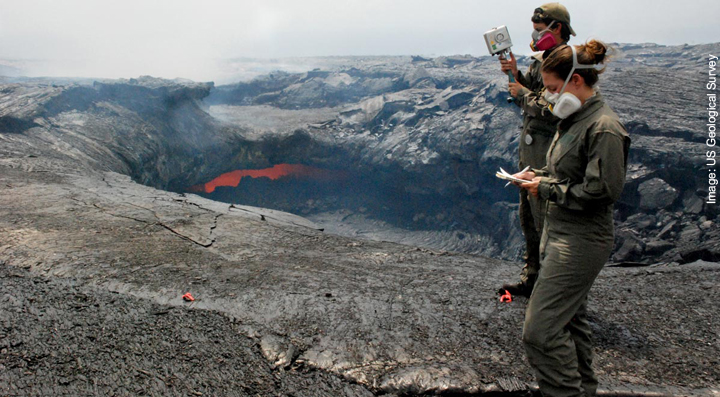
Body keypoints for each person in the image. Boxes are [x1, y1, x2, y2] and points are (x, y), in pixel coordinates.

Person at [514, 40, 631, 397]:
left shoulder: (604, 128)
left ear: (575, 82)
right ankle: (583, 390)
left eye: (551, 88)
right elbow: (569, 175)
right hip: (560, 232)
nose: (548, 98)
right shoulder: (576, 120)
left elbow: (601, 191)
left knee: (540, 332)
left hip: (579, 241)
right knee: (572, 320)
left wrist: (546, 189)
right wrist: (540, 177)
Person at [499, 3, 576, 298]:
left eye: (541, 27)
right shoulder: (541, 60)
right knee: (528, 218)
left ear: (557, 28)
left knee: (547, 221)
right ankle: (533, 278)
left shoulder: (566, 63)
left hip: (549, 155)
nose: (536, 32)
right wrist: (515, 74)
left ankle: (552, 288)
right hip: (530, 154)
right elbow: (528, 90)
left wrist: (523, 94)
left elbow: (557, 108)